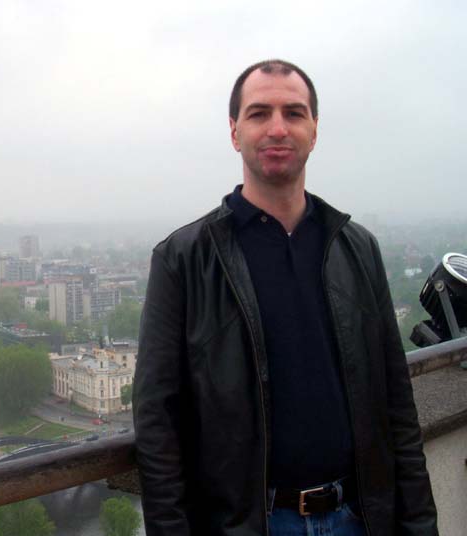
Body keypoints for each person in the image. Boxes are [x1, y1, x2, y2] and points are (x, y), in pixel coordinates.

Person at [132, 59, 438, 536]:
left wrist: (418, 524)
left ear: (314, 131)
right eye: (259, 113)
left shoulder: (356, 248)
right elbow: (157, 425)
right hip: (252, 525)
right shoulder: (184, 259)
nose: (278, 128)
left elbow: (397, 405)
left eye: (294, 113)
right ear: (234, 132)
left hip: (360, 518)